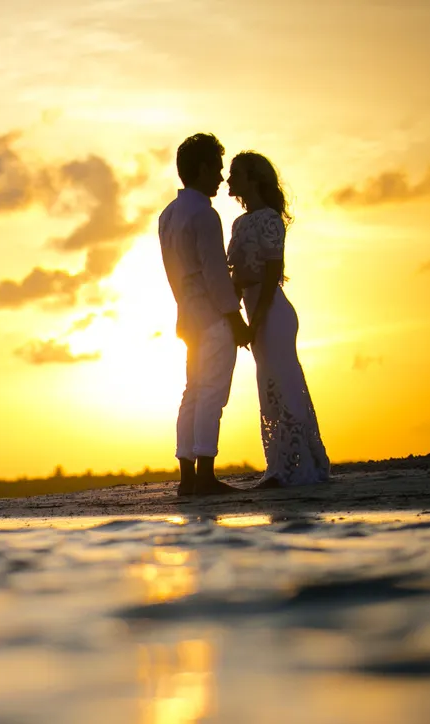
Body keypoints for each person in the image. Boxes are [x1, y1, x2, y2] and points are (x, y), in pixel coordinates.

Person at [225, 152, 330, 488]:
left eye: (235, 174)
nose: (229, 179)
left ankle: (299, 467)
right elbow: (236, 276)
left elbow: (272, 273)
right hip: (254, 311)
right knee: (268, 389)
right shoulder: (239, 223)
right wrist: (237, 316)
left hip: (274, 313)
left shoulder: (270, 218)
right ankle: (280, 464)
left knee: (284, 385)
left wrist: (256, 321)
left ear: (253, 179)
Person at [158, 133, 251, 497]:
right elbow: (214, 272)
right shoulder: (205, 214)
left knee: (192, 392)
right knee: (212, 393)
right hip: (211, 317)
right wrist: (235, 318)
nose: (220, 177)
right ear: (200, 168)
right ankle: (206, 476)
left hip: (187, 317)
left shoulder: (168, 215)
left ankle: (188, 478)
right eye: (216, 168)